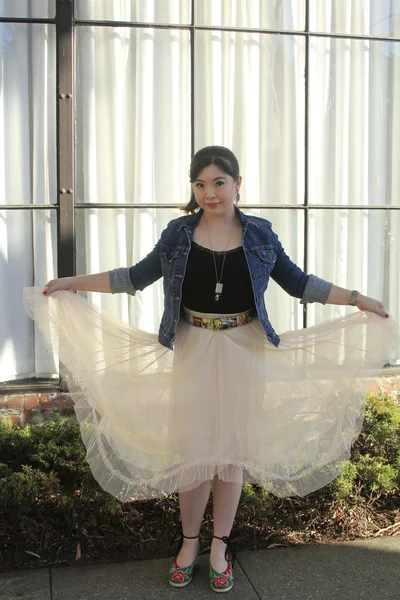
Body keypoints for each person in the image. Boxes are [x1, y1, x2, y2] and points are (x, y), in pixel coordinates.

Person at [24, 146, 397, 593]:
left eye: (219, 182)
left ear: (238, 184)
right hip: (193, 347)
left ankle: (219, 545)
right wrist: (72, 282)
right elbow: (135, 277)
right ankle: (188, 544)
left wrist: (358, 299)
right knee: (196, 453)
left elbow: (299, 283)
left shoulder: (260, 235)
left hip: (245, 349)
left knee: (231, 453)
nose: (209, 192)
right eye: (200, 184)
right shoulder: (179, 234)